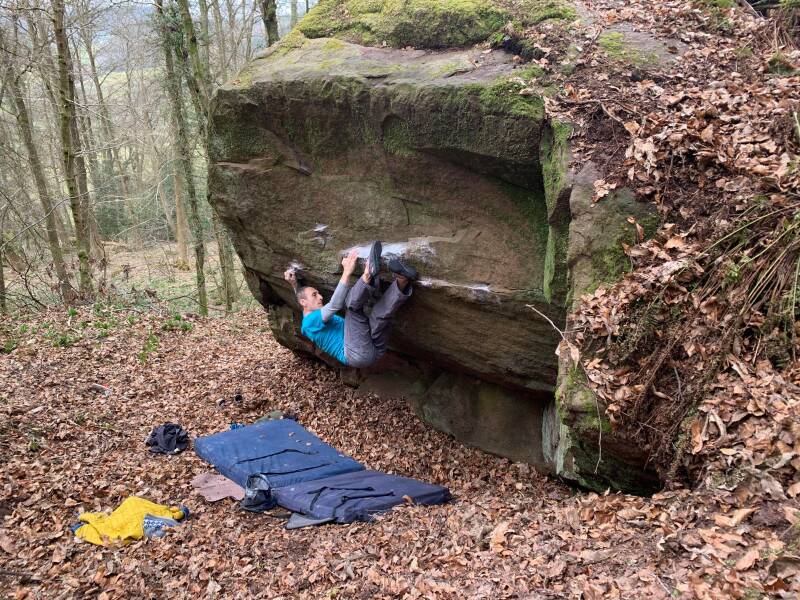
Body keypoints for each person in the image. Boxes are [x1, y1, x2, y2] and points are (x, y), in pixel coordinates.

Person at [283, 242, 417, 368]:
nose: (321, 296)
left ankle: (402, 280)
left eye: (318, 293)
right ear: (303, 302)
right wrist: (347, 271)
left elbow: (304, 304)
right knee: (351, 307)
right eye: (314, 295)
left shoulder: (310, 320)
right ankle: (368, 273)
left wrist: (294, 285)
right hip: (356, 352)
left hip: (371, 350)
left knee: (378, 314)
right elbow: (334, 305)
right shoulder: (310, 322)